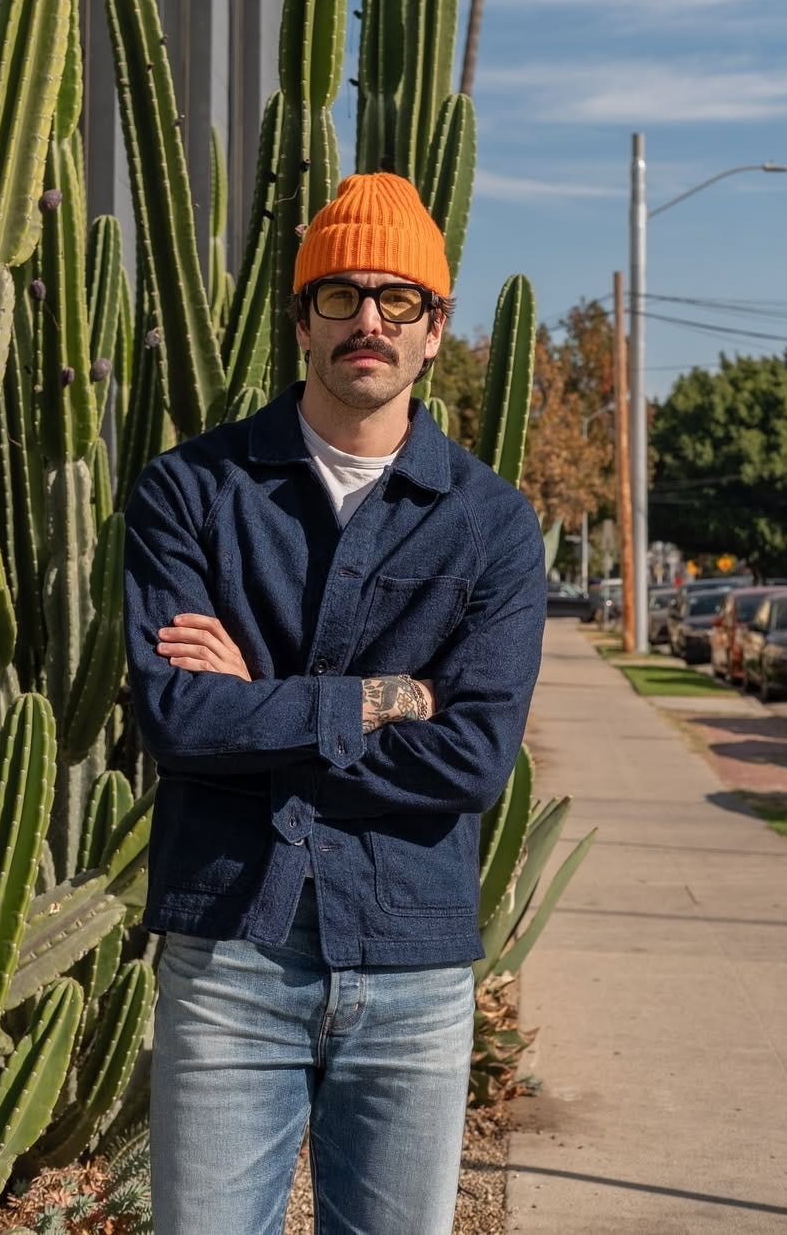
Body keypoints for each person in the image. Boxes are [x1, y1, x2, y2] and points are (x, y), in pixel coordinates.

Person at [123, 171, 545, 1235]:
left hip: (415, 962)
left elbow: (474, 758)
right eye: (341, 295)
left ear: (435, 327)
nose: (368, 319)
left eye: (398, 299)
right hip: (230, 950)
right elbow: (175, 718)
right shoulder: (192, 491)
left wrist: (259, 706)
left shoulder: (493, 526)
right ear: (300, 319)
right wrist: (377, 700)